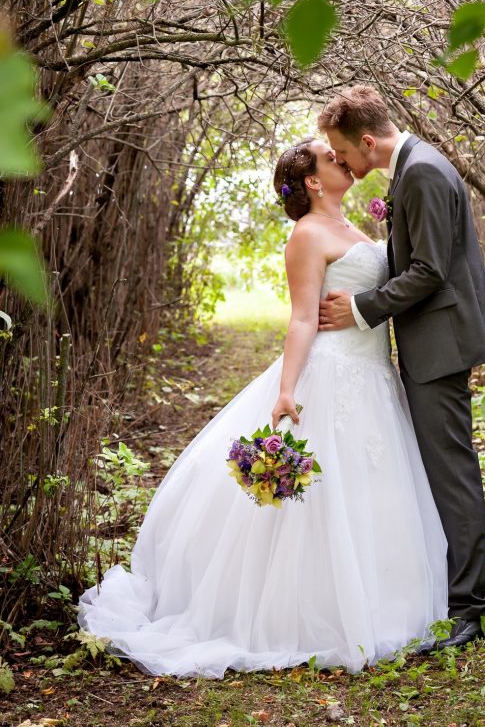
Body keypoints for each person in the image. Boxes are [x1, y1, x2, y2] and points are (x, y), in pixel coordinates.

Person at [76, 136, 449, 679]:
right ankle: (310, 614)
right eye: (331, 157)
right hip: (334, 371)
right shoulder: (307, 234)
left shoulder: (350, 226)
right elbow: (302, 317)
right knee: (321, 494)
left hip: (373, 373)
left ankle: (386, 601)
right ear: (314, 182)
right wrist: (287, 389)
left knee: (374, 490)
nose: (343, 159)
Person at [317, 86, 485, 650]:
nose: (342, 162)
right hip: (435, 341)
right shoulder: (415, 166)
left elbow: (428, 270)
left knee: (451, 473)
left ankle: (469, 610)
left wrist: (360, 308)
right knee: (444, 469)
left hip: (441, 345)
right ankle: (455, 596)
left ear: (366, 141)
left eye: (341, 151)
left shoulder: (421, 171)